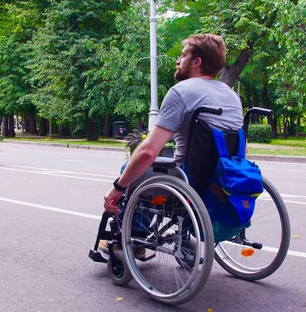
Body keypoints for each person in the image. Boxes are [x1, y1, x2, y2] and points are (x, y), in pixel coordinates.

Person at [103, 33, 244, 215]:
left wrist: (118, 186)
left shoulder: (181, 92)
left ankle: (135, 236)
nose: (178, 60)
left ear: (196, 62)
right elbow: (243, 150)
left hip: (187, 181)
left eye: (183, 55)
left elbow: (148, 152)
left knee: (131, 168)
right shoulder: (231, 95)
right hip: (222, 181)